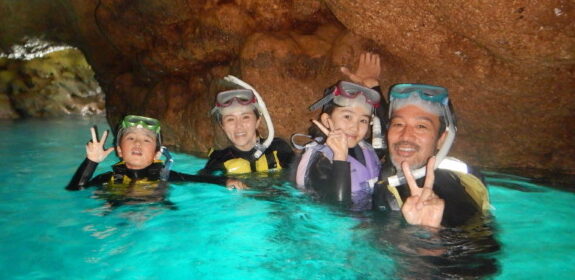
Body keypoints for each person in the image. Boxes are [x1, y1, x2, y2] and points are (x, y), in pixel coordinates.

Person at [371, 83, 490, 228]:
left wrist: (431, 232)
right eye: (398, 124)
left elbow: (480, 245)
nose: (405, 136)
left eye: (421, 126)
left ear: (442, 140)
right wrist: (373, 86)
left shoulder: (446, 191)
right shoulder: (399, 168)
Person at [66, 115, 246, 192]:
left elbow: (198, 179)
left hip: (156, 220)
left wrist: (227, 181)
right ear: (119, 149)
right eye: (130, 138)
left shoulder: (164, 176)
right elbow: (76, 190)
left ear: (157, 153)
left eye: (146, 140)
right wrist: (91, 162)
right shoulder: (108, 179)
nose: (138, 143)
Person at [292, 80, 382, 209]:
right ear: (327, 121)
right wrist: (340, 157)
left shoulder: (365, 148)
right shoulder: (319, 161)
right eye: (347, 116)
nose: (355, 127)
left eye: (363, 120)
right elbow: (337, 213)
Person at [199, 86, 293, 175]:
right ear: (222, 125)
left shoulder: (277, 149)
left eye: (245, 117)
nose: (238, 126)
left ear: (257, 121)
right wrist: (225, 182)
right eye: (230, 119)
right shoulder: (219, 159)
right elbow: (200, 184)